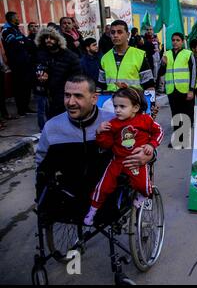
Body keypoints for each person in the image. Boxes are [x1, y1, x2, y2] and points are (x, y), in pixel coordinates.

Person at [35, 75, 155, 220]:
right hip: (68, 195)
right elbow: (41, 166)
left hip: (108, 194)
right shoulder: (52, 127)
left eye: (78, 96)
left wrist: (149, 154)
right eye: (67, 95)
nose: (70, 102)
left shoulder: (116, 122)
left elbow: (146, 143)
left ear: (94, 98)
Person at [83, 87, 163, 226]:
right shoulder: (112, 124)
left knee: (142, 185)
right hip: (117, 162)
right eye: (115, 106)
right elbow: (106, 144)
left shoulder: (145, 120)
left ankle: (143, 196)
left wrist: (151, 144)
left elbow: (159, 131)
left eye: (122, 106)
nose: (117, 110)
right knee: (103, 187)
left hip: (136, 162)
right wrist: (99, 132)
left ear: (135, 107)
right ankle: (93, 210)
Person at [159, 32, 196, 148]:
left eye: (178, 40)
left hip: (185, 90)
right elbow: (161, 73)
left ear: (182, 42)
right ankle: (177, 140)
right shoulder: (167, 54)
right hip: (171, 90)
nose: (175, 42)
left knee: (186, 115)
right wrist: (163, 64)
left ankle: (184, 140)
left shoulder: (188, 54)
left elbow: (193, 72)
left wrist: (191, 90)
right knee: (175, 115)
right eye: (173, 40)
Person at [35, 26, 82, 118]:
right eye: (46, 37)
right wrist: (40, 78)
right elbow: (34, 71)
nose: (48, 40)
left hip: (64, 96)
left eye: (52, 38)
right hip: (44, 95)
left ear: (59, 39)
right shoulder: (41, 54)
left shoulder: (70, 57)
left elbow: (77, 78)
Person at [98, 20, 154, 93]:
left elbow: (149, 85)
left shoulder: (139, 56)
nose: (115, 35)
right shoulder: (105, 58)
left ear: (128, 34)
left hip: (134, 101)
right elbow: (101, 86)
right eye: (112, 32)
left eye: (119, 32)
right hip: (111, 102)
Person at [1, 11, 35, 116]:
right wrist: (23, 43)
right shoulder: (6, 30)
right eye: (17, 17)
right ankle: (21, 109)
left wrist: (24, 43)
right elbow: (15, 45)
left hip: (25, 62)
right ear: (11, 19)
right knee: (19, 87)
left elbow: (26, 42)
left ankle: (26, 106)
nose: (18, 18)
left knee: (27, 85)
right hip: (17, 64)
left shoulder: (16, 29)